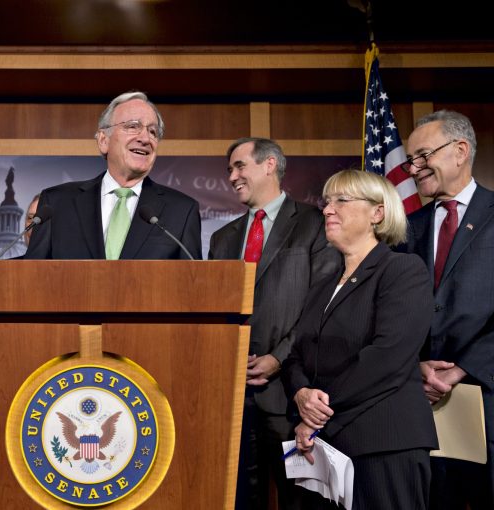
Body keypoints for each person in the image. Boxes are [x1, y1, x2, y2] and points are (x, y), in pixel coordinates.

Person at [282, 169, 438, 509]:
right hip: (326, 448)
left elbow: (387, 357)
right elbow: (295, 355)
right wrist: (300, 393)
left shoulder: (402, 270)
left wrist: (316, 412)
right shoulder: (323, 285)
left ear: (377, 213)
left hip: (383, 444)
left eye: (342, 200)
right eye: (326, 202)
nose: (327, 209)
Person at [208, 137, 339, 510]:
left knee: (297, 499)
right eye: (229, 170)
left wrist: (279, 357)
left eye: (239, 166)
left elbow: (321, 303)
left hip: (288, 393)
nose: (232, 176)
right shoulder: (221, 238)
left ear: (269, 165)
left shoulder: (314, 223)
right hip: (231, 394)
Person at [400, 110, 494, 509]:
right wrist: (415, 365)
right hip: (421, 405)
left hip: (487, 397)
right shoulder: (407, 228)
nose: (414, 169)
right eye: (411, 161)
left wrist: (463, 368)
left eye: (423, 156)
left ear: (460, 151)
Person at [25, 91, 202, 260]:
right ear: (103, 141)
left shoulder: (182, 211)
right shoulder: (57, 202)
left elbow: (192, 283)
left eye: (153, 132)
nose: (146, 138)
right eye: (133, 126)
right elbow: (33, 276)